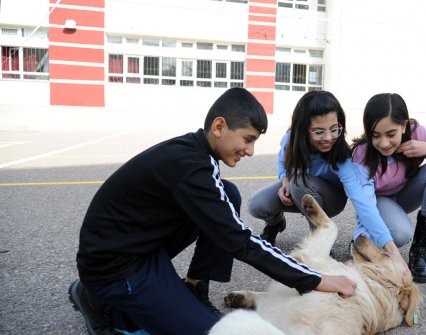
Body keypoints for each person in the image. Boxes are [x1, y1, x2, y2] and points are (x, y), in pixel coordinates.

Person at [68, 88, 357, 335]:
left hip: (138, 248)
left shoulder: (195, 154)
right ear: (219, 127)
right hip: (116, 269)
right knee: (211, 332)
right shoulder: (192, 168)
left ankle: (194, 287)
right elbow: (240, 241)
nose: (251, 150)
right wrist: (315, 279)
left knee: (228, 194)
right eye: (247, 139)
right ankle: (94, 296)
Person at [247, 90, 407, 267]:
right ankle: (275, 223)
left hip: (330, 199)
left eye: (334, 130)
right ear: (303, 129)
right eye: (319, 132)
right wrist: (285, 181)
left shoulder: (342, 157)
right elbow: (282, 161)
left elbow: (362, 200)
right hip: (298, 188)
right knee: (257, 205)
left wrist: (390, 246)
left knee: (300, 182)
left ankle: (319, 243)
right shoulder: (291, 139)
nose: (328, 138)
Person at [351, 93, 426, 283]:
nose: (384, 143)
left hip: (405, 195)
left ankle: (419, 252)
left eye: (391, 134)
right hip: (380, 202)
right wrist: (370, 241)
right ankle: (364, 241)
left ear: (404, 126)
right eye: (375, 135)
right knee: (400, 234)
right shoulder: (362, 156)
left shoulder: (418, 133)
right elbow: (366, 207)